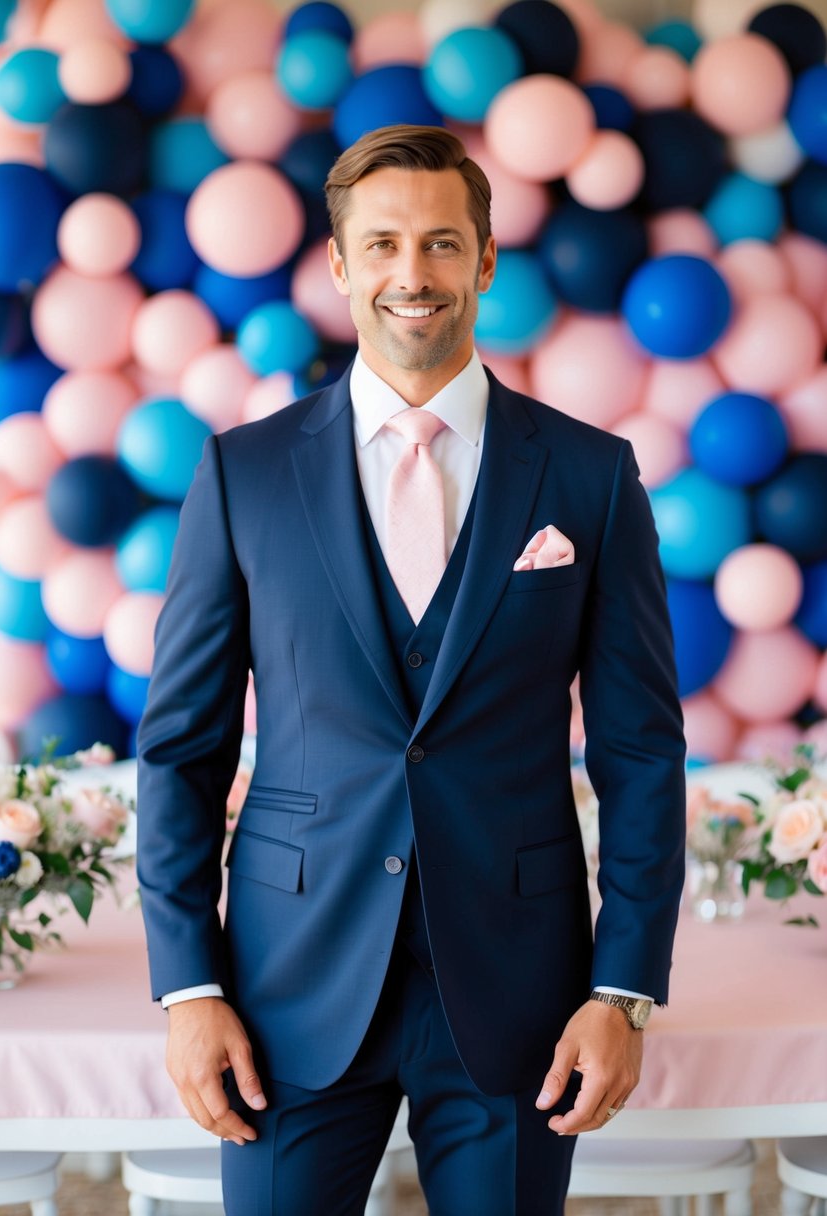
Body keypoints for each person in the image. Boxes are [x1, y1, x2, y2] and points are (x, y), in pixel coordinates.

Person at [137, 123, 686, 1216]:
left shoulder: (588, 473)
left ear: (485, 261)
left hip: (518, 988)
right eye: (381, 244)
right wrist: (188, 985)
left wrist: (621, 992)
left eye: (441, 244)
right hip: (288, 987)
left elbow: (638, 750)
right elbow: (182, 749)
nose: (411, 274)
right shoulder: (242, 473)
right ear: (339, 264)